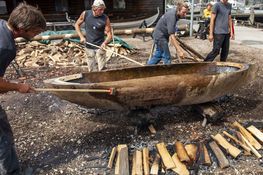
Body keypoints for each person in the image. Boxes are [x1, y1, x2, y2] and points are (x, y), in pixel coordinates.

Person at [0, 3, 46, 174]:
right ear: (21, 28)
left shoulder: (0, 25)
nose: (37, 35)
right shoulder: (6, 47)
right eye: (35, 31)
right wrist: (18, 86)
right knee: (3, 137)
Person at [75, 0, 112, 72]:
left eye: (103, 9)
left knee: (102, 70)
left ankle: (103, 81)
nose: (102, 11)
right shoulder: (86, 14)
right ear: (94, 8)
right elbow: (77, 25)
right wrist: (81, 37)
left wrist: (105, 43)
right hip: (89, 46)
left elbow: (109, 35)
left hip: (100, 46)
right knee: (91, 70)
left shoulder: (105, 18)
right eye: (100, 9)